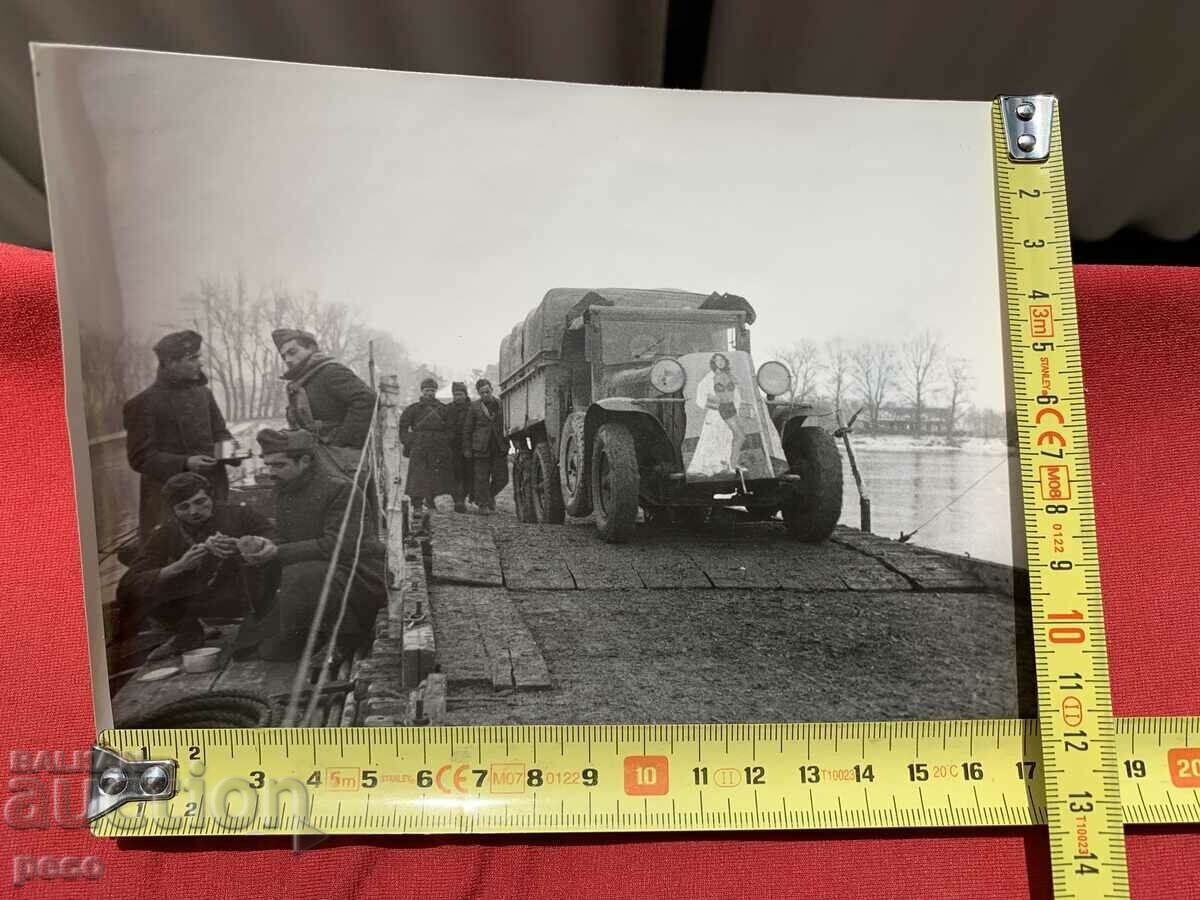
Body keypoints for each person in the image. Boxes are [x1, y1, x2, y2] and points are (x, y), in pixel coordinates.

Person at [245, 428, 386, 661]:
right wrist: (266, 545)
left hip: (357, 572)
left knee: (304, 574)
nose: (271, 472)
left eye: (279, 465)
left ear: (305, 460)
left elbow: (339, 545)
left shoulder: (340, 489)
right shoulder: (284, 489)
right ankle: (305, 631)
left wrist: (278, 551)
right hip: (312, 574)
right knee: (272, 650)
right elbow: (282, 534)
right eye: (268, 465)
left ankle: (342, 638)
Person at [115, 472, 279, 652]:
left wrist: (245, 545)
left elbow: (274, 538)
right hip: (202, 596)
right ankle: (188, 633)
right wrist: (178, 566)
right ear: (173, 510)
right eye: (183, 507)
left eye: (200, 501)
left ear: (211, 497)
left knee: (245, 652)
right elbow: (129, 583)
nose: (194, 511)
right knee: (140, 589)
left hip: (244, 593)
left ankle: (256, 624)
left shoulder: (239, 514)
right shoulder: (166, 532)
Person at [123, 330, 235, 546]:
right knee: (175, 552)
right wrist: (185, 463)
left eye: (198, 357)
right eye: (192, 358)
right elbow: (140, 457)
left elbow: (220, 433)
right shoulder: (142, 404)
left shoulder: (204, 395)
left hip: (212, 491)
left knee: (221, 547)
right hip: (170, 500)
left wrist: (230, 452)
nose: (200, 363)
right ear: (169, 363)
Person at [272, 328, 377, 472]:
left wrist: (342, 440)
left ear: (311, 348)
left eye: (292, 352)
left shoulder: (330, 372)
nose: (288, 360)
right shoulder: (298, 383)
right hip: (319, 460)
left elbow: (367, 399)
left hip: (342, 462)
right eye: (284, 356)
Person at [688, 351, 753, 477]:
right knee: (715, 437)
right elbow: (700, 397)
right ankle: (714, 465)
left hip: (731, 409)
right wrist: (714, 404)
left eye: (722, 360)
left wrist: (739, 405)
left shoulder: (729, 376)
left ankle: (730, 464)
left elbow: (735, 394)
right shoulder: (708, 378)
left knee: (730, 436)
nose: (720, 362)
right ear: (713, 363)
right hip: (717, 412)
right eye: (717, 360)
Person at [396, 377, 455, 513]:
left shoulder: (443, 409)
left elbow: (451, 428)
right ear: (422, 391)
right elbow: (403, 427)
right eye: (427, 390)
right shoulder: (413, 409)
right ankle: (417, 504)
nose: (430, 393)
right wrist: (410, 441)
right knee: (418, 475)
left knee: (437, 475)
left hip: (438, 446)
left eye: (432, 390)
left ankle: (433, 501)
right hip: (419, 446)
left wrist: (444, 440)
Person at [462, 378, 509, 514]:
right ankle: (483, 505)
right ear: (478, 393)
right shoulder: (474, 407)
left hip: (498, 447)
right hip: (480, 448)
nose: (485, 395)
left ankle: (488, 497)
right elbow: (467, 429)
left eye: (487, 391)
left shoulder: (502, 404)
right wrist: (467, 449)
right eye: (482, 393)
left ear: (492, 390)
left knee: (502, 479)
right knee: (481, 478)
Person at [442, 381, 473, 513]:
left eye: (460, 394)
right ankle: (457, 500)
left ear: (466, 394)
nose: (457, 397)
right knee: (454, 474)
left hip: (469, 446)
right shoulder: (448, 409)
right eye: (455, 394)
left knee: (468, 474)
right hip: (452, 447)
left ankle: (464, 497)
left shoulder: (472, 408)